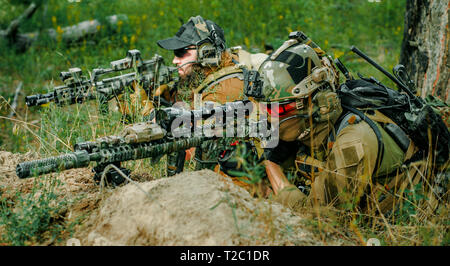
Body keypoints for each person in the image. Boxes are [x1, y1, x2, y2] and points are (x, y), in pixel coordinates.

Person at [252, 33, 421, 214]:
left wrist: (270, 164)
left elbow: (317, 218)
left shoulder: (354, 143)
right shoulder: (315, 128)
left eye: (278, 109)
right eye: (264, 109)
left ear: (316, 101)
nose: (268, 116)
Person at [155, 15, 267, 176]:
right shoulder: (215, 72)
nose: (174, 60)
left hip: (242, 179)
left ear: (205, 51)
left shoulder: (222, 91)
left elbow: (195, 153)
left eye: (181, 52)